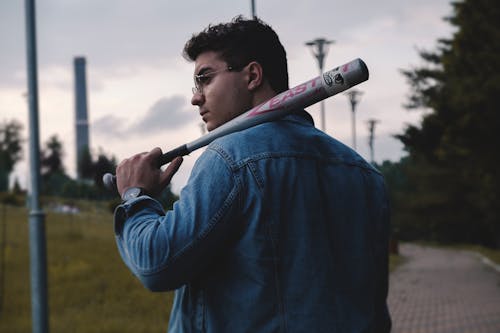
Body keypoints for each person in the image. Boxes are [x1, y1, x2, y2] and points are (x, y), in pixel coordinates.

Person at [113, 16, 391, 333]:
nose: (195, 97)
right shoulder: (364, 174)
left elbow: (156, 263)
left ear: (253, 76)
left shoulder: (229, 159)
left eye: (205, 78)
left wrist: (136, 196)